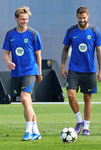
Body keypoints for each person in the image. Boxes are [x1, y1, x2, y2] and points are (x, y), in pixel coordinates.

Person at [61, 6, 101, 136]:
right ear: (77, 17)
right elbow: (65, 49)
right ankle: (79, 121)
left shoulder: (95, 31)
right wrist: (63, 65)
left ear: (88, 16)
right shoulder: (71, 31)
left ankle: (86, 127)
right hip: (74, 69)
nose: (82, 20)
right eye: (80, 18)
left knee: (87, 98)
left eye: (84, 18)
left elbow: (99, 52)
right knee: (70, 95)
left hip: (89, 70)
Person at [3, 6, 42, 141]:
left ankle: (28, 132)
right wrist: (8, 62)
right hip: (17, 72)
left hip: (30, 70)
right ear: (16, 19)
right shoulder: (10, 34)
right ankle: (36, 131)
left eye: (27, 19)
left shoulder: (33, 34)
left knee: (25, 98)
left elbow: (38, 55)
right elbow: (6, 53)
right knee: (27, 103)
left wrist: (39, 73)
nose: (25, 21)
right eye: (22, 19)